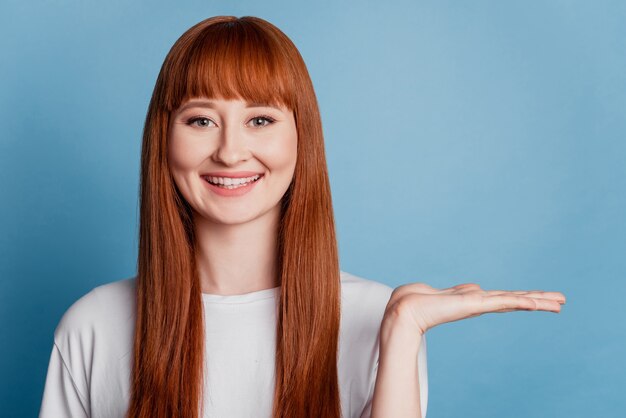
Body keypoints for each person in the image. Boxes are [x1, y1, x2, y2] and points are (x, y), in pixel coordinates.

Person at [38, 15, 566, 418]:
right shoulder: (93, 328)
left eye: (260, 119)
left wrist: (403, 331)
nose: (230, 151)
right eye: (201, 119)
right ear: (164, 138)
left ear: (301, 138)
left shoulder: (378, 319)